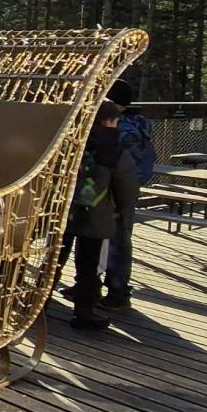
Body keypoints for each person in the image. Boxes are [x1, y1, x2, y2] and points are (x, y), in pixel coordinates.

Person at [62, 100, 140, 329]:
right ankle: (83, 313)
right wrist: (119, 209)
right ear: (111, 122)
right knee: (88, 267)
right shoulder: (116, 149)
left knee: (55, 260)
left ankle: (38, 306)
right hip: (96, 215)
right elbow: (127, 187)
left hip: (65, 212)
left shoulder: (72, 142)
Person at [102, 79, 155, 309]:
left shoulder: (124, 131)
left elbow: (123, 167)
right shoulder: (135, 126)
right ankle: (102, 286)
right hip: (118, 190)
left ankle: (118, 292)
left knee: (117, 241)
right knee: (111, 239)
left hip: (117, 192)